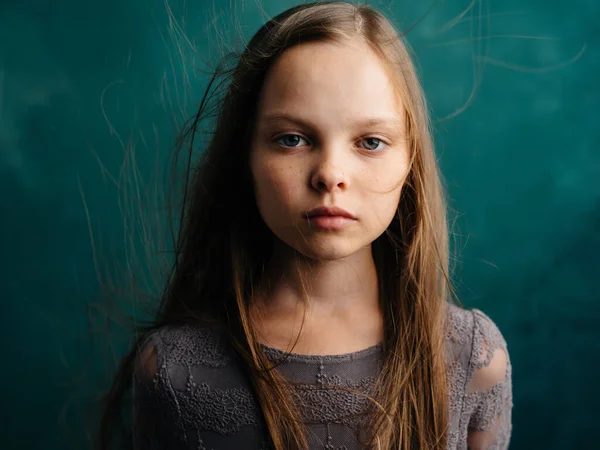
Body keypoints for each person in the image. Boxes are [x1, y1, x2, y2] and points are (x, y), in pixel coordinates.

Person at [98, 2, 512, 449]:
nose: (330, 173)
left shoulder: (472, 358)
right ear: (246, 157)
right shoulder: (171, 370)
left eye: (371, 142)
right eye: (292, 139)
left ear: (410, 163)